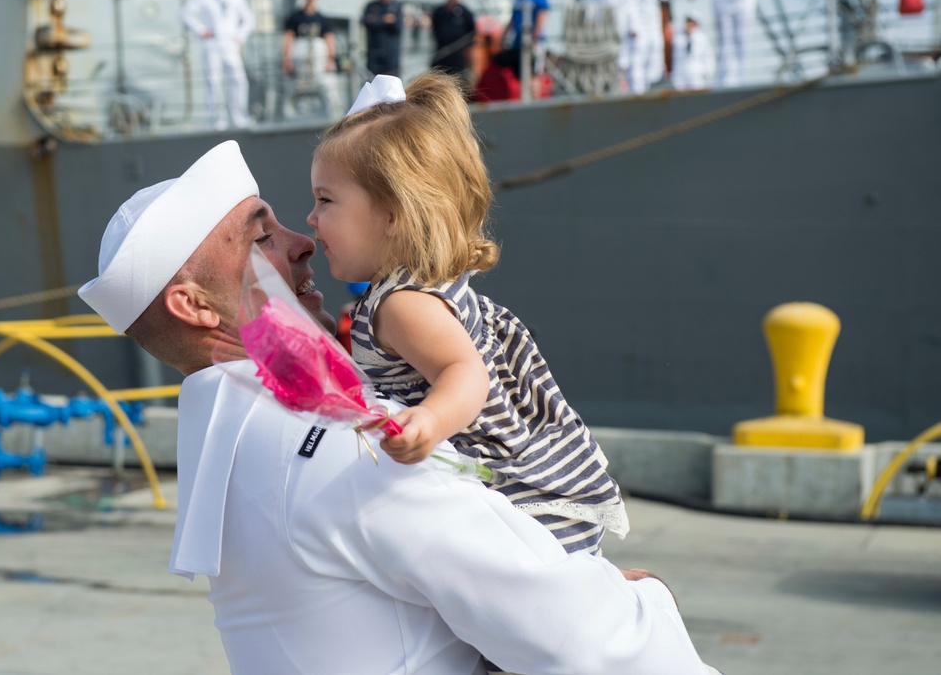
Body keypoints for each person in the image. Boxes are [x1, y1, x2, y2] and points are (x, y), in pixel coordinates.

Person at [77, 139, 719, 675]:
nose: (303, 242)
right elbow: (587, 642)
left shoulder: (235, 447)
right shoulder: (336, 444)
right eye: (261, 236)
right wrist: (651, 598)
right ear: (194, 306)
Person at [307, 73, 628, 558]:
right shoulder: (419, 287)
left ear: (393, 213)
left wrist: (429, 423)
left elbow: (465, 372)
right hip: (534, 492)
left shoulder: (400, 305)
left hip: (513, 503)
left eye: (325, 200)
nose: (311, 218)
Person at [180, 0, 256, 129]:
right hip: (212, 45)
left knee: (239, 80)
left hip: (230, 45)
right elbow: (186, 13)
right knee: (213, 81)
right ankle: (217, 119)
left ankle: (239, 115)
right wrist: (201, 30)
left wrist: (240, 37)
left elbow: (249, 19)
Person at [282, 0, 339, 116]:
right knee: (301, 86)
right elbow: (288, 38)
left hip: (319, 57)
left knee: (326, 85)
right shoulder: (295, 17)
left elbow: (329, 39)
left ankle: (332, 112)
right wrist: (286, 59)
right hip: (301, 57)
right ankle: (303, 115)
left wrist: (331, 59)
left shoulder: (323, 19)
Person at [493, 0, 549, 80]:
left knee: (534, 73)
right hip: (518, 42)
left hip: (532, 42)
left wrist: (535, 39)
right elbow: (512, 19)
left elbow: (541, 18)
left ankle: (535, 95)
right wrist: (503, 38)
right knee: (517, 71)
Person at [430, 0, 477, 81]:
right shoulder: (439, 11)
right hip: (441, 54)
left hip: (458, 57)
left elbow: (472, 35)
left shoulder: (465, 13)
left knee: (457, 83)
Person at [362, 0, 403, 77]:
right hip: (374, 53)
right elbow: (367, 22)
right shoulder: (371, 6)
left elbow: (397, 26)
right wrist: (385, 19)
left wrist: (377, 19)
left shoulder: (396, 6)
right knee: (372, 81)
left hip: (390, 55)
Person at [672, 11, 715, 90]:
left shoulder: (702, 38)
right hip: (680, 74)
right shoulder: (678, 37)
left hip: (697, 74)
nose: (689, 25)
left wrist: (707, 72)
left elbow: (709, 56)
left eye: (692, 23)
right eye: (688, 22)